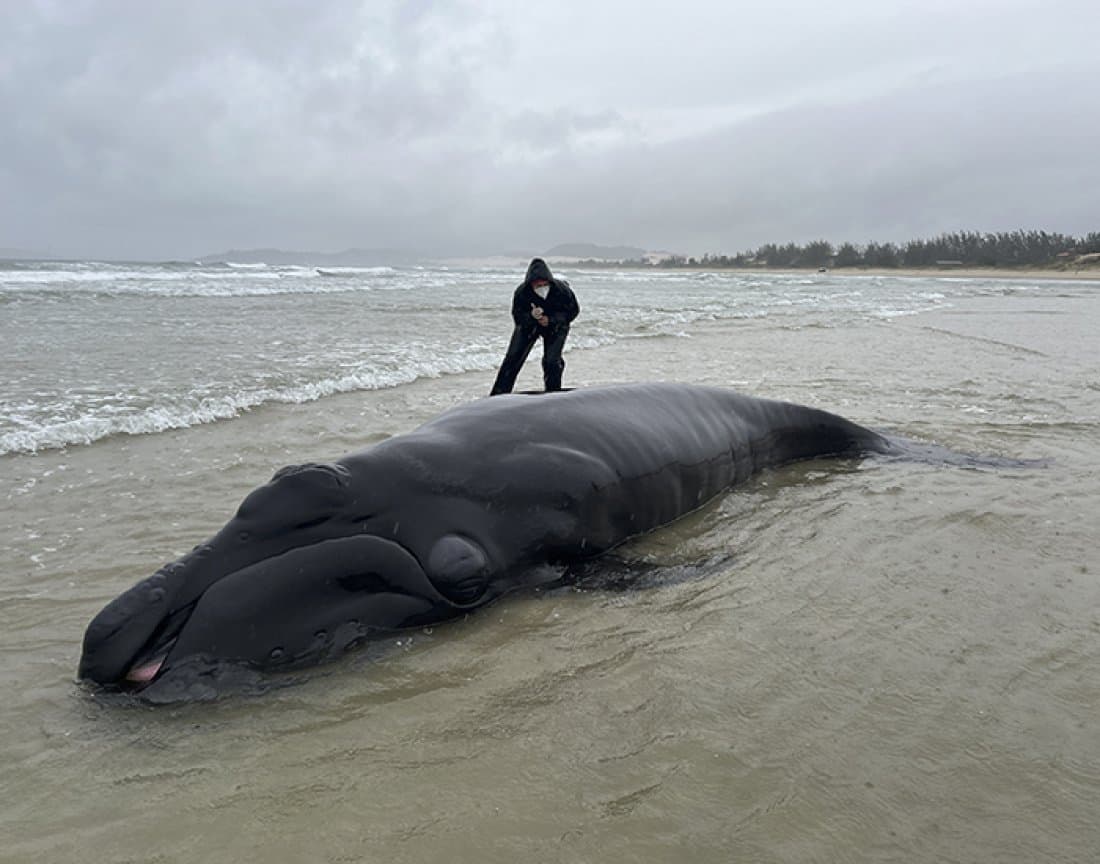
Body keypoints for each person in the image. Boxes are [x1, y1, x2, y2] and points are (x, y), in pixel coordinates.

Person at [489, 257, 579, 395]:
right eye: (537, 286)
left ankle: (553, 392)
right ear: (530, 284)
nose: (541, 288)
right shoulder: (522, 293)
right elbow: (517, 316)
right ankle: (498, 394)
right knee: (512, 358)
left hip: (557, 326)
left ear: (549, 281)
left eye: (544, 285)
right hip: (529, 326)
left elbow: (573, 312)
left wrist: (551, 320)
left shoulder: (562, 291)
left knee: (551, 361)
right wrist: (531, 317)